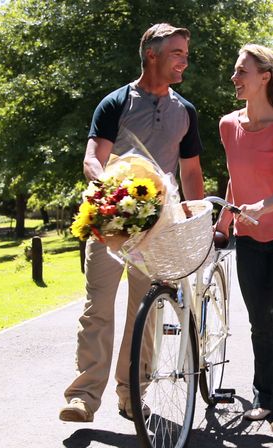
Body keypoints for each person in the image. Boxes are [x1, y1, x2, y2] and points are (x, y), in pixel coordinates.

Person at [60, 23, 205, 422]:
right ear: (152, 55)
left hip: (159, 227)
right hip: (110, 220)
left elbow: (191, 173)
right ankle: (84, 397)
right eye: (177, 53)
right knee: (98, 308)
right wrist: (108, 181)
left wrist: (196, 219)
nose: (184, 61)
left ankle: (131, 393)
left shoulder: (185, 111)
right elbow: (93, 156)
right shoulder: (115, 102)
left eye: (185, 54)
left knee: (145, 314)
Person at [215, 44, 273, 437]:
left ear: (265, 77)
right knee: (259, 323)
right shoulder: (228, 126)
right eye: (236, 71)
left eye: (242, 72)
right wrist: (224, 222)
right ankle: (264, 397)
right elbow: (234, 181)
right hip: (250, 238)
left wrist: (260, 207)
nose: (235, 78)